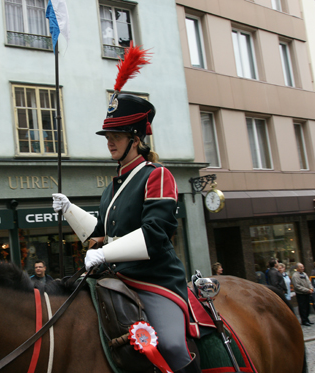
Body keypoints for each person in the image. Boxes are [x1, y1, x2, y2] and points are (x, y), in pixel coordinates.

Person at [52, 44, 198, 373]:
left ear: (136, 138)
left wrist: (105, 254)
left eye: (116, 135)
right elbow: (101, 232)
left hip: (155, 280)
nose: (109, 141)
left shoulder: (157, 176)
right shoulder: (114, 185)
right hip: (118, 281)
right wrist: (69, 210)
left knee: (172, 345)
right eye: (108, 135)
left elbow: (155, 235)